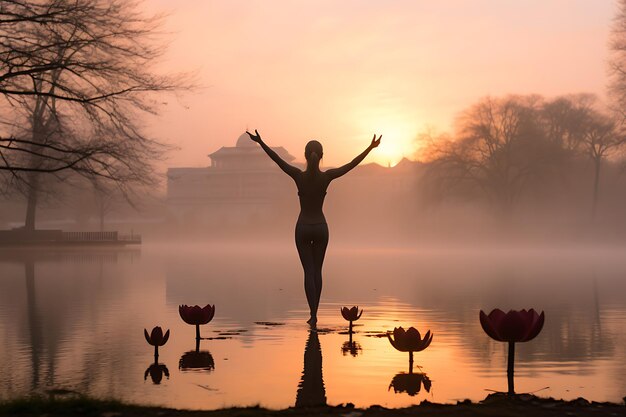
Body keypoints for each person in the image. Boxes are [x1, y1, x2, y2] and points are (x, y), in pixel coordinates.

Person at [247, 130, 381, 326]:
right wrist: (370, 147)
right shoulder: (327, 176)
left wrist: (261, 142)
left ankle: (313, 314)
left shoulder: (297, 176)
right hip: (321, 227)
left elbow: (276, 160)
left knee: (308, 273)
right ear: (322, 156)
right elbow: (351, 164)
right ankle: (314, 313)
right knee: (318, 271)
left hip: (303, 227)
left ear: (305, 155)